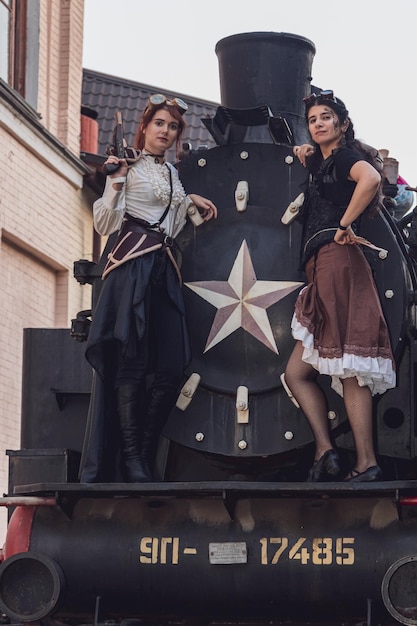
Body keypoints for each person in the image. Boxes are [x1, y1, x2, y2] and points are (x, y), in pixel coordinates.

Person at [79, 94, 218, 483]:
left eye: (172, 126)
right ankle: (133, 460)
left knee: (172, 366)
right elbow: (105, 224)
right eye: (160, 124)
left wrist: (188, 200)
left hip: (164, 267)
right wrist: (116, 180)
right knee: (132, 362)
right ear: (145, 126)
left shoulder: (172, 174)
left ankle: (140, 451)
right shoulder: (128, 165)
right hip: (132, 267)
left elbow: (171, 221)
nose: (166, 132)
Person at [284, 90, 396, 482]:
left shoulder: (346, 158)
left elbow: (369, 177)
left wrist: (345, 225)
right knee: (297, 372)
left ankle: (366, 463)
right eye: (313, 118)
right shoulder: (323, 162)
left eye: (326, 117)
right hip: (322, 267)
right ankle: (326, 449)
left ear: (342, 125)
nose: (317, 123)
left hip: (338, 261)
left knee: (349, 368)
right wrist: (306, 153)